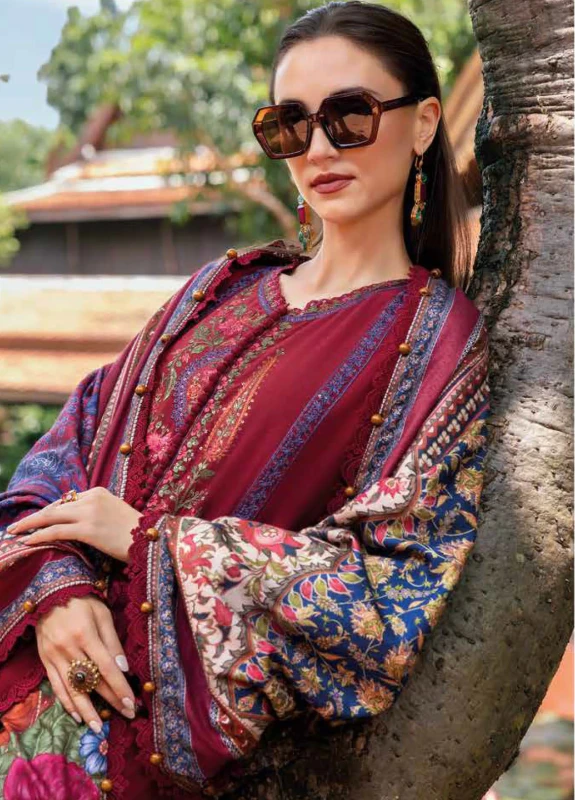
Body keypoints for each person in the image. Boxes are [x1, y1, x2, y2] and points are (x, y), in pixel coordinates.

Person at [0, 2, 491, 798]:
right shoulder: (221, 286)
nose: (318, 149)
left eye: (350, 116)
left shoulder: (435, 344)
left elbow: (386, 592)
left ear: (424, 122)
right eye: (289, 125)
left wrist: (149, 541)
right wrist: (57, 590)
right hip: (30, 660)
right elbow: (65, 448)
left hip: (129, 757)